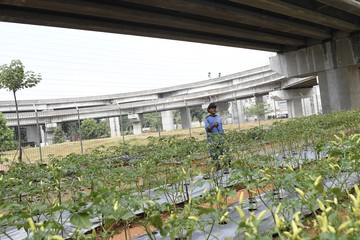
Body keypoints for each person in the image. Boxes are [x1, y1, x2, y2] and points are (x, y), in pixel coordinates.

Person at [204, 103, 229, 174]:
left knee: (223, 153)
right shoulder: (207, 119)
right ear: (208, 110)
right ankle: (218, 169)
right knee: (215, 154)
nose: (213, 109)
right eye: (211, 108)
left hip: (221, 138)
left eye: (214, 108)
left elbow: (221, 128)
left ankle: (226, 168)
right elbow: (207, 129)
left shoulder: (218, 117)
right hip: (212, 140)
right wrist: (213, 125)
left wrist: (224, 136)